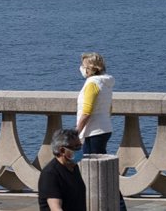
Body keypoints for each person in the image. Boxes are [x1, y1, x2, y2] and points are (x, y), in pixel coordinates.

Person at [75, 52, 126, 211]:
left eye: (83, 66)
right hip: (104, 128)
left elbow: (87, 111)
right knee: (99, 172)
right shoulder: (106, 83)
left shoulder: (92, 84)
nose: (81, 69)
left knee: (96, 174)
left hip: (93, 132)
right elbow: (109, 108)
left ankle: (118, 206)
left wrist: (76, 132)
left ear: (90, 68)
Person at [38, 128, 86, 211]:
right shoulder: (50, 174)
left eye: (80, 146)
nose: (80, 150)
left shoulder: (73, 167)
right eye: (76, 147)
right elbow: (56, 208)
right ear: (62, 150)